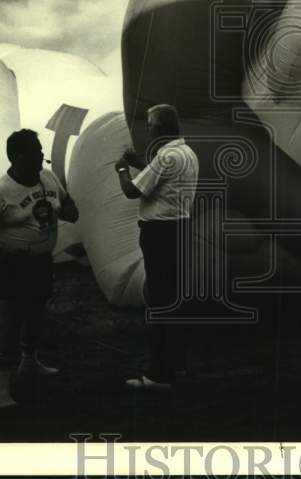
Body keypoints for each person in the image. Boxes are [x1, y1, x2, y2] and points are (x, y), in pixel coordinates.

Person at [0, 129, 79, 408]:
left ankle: (29, 362)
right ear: (18, 157)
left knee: (36, 313)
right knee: (11, 321)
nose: (42, 156)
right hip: (11, 263)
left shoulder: (48, 177)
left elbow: (65, 202)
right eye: (37, 151)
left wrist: (68, 207)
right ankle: (1, 387)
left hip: (41, 261)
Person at [114, 103, 199, 390]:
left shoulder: (166, 156)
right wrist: (139, 163)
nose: (148, 131)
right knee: (175, 300)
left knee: (160, 301)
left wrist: (122, 169)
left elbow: (131, 190)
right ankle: (177, 363)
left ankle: (158, 374)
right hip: (180, 230)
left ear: (159, 128)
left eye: (150, 126)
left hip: (160, 234)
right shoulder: (185, 153)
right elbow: (160, 179)